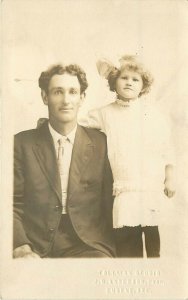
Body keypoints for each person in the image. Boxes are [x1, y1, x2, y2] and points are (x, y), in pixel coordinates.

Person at [13, 63, 115, 258]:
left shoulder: (101, 143)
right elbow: (10, 203)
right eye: (58, 92)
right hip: (33, 243)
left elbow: (110, 201)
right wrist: (21, 247)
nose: (66, 100)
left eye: (73, 92)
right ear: (45, 97)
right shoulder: (21, 143)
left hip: (87, 244)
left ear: (82, 98)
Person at [80, 55, 176, 257]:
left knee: (152, 240)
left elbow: (166, 149)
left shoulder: (153, 114)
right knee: (127, 241)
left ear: (143, 85)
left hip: (150, 184)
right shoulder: (105, 113)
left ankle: (154, 276)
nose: (129, 83)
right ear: (114, 82)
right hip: (125, 185)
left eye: (135, 79)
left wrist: (170, 178)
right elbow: (80, 123)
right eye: (124, 78)